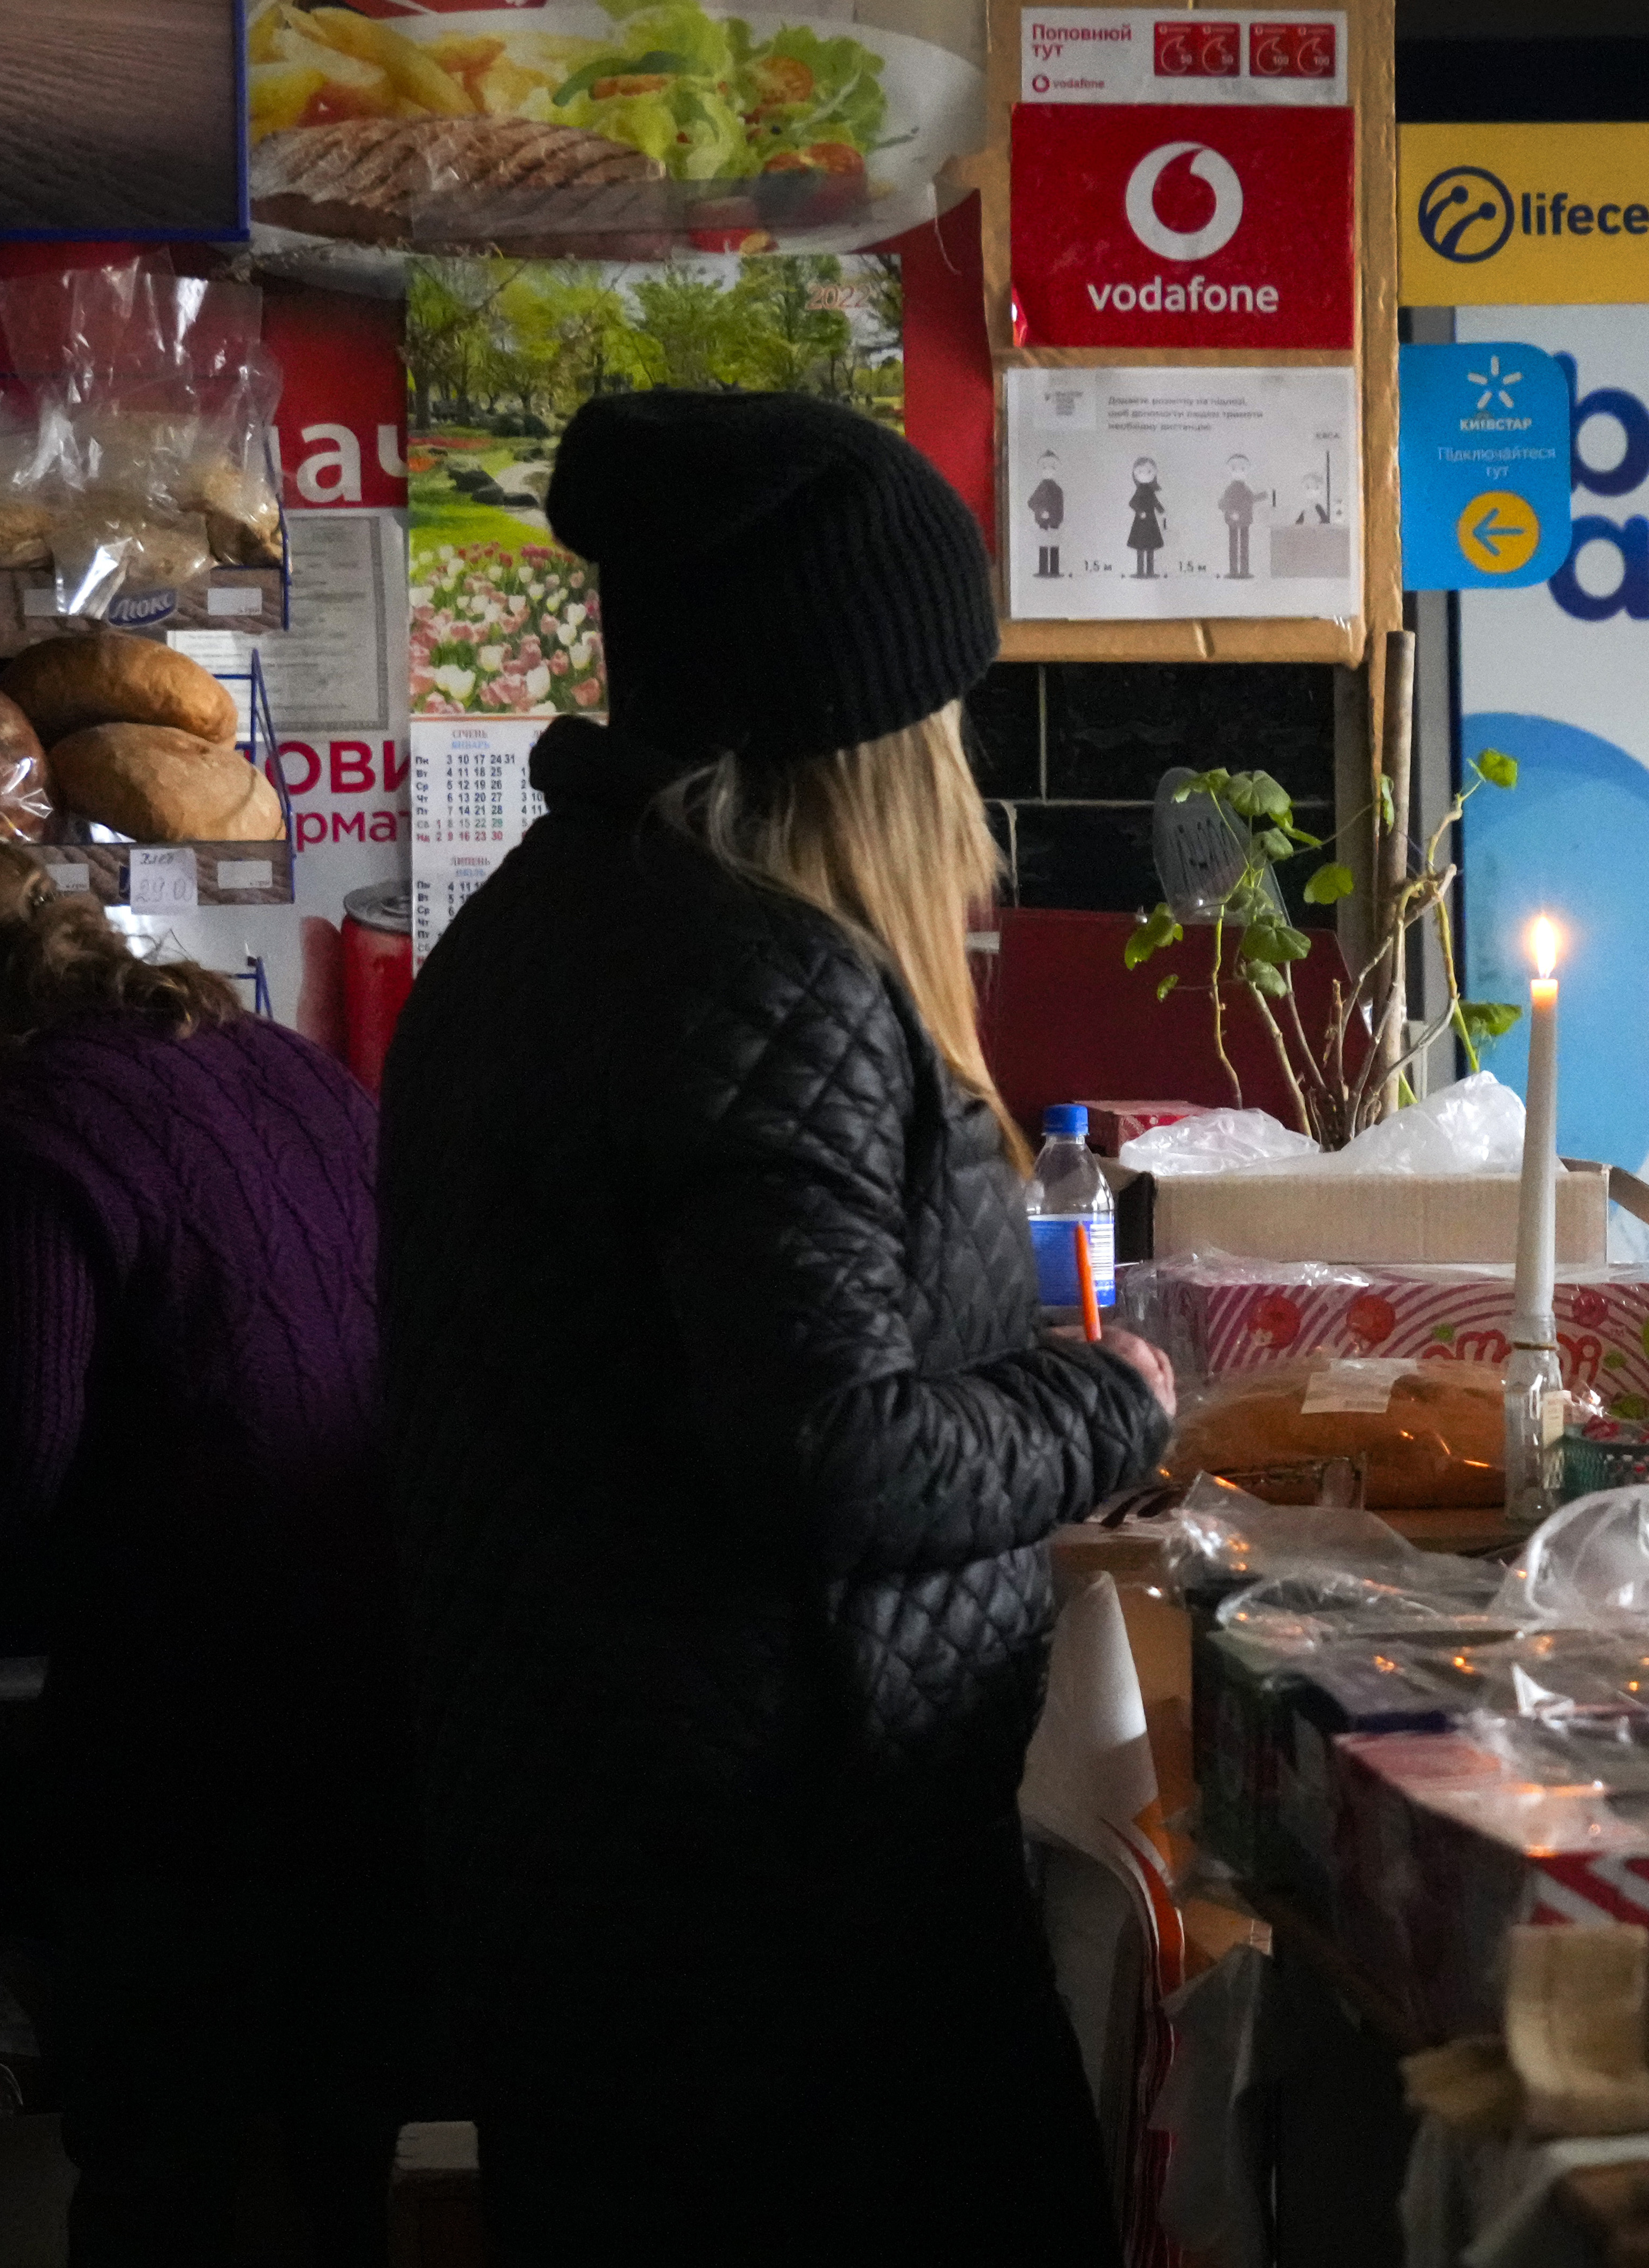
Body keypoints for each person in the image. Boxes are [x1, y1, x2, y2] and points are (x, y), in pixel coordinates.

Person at [381, 390, 1177, 2266]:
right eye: (943, 705)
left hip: (589, 1848)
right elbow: (831, 1443)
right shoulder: (763, 970)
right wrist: (1109, 1402)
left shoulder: (530, 928)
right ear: (864, 722)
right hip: (791, 1906)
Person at [0, 831, 412, 2264]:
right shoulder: (273, 1058)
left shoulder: (28, 1120)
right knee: (329, 2143)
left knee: (167, 2154)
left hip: (199, 1715)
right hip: (382, 1685)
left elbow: (6, 1452)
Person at [1220, 451, 1258, 578]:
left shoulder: (1246, 489)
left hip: (1245, 520)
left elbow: (1251, 499)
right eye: (1235, 469)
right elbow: (1223, 504)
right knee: (1235, 545)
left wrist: (1263, 495)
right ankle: (1234, 571)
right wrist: (1232, 513)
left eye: (1243, 469)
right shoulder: (1231, 489)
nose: (1239, 472)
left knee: (1243, 545)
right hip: (1234, 520)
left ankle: (1244, 571)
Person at [1028, 448, 1065, 578]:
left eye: (1052, 468)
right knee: (1044, 547)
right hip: (1043, 525)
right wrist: (1041, 512)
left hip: (1055, 525)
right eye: (1045, 468)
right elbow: (1031, 503)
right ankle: (1043, 571)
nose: (1049, 470)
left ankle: (1055, 571)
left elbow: (1060, 508)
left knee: (1054, 547)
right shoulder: (1041, 488)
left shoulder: (1058, 490)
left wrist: (1056, 520)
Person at [1127, 452, 1166, 576]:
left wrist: (1161, 510)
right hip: (1142, 522)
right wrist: (1140, 512)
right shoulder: (1141, 490)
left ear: (1154, 473)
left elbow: (1155, 502)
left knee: (1150, 549)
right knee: (1141, 549)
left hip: (1150, 522)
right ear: (1135, 474)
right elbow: (1132, 503)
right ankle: (1140, 572)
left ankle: (1150, 572)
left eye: (1149, 472)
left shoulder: (1149, 490)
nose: (1145, 475)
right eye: (1141, 472)